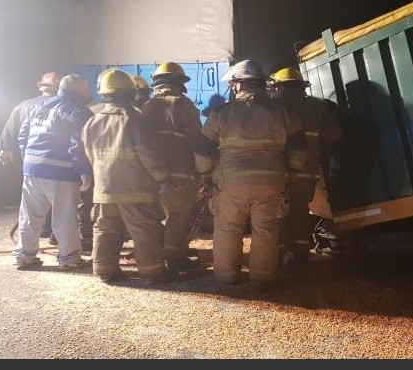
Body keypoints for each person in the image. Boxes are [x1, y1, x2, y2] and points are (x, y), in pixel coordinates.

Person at [194, 60, 306, 288]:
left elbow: (203, 149)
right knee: (266, 230)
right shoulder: (283, 112)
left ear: (237, 84)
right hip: (270, 183)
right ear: (261, 84)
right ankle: (263, 278)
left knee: (227, 228)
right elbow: (298, 148)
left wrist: (205, 174)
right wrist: (292, 173)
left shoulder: (222, 113)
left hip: (231, 184)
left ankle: (226, 276)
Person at [81, 68, 171, 284]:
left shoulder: (92, 122)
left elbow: (91, 156)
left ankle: (104, 271)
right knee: (145, 231)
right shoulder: (135, 120)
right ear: (129, 93)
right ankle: (152, 273)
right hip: (136, 189)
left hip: (104, 189)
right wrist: (162, 178)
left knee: (105, 229)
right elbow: (148, 154)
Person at [12, 74, 93, 270]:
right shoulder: (80, 112)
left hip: (32, 169)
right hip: (62, 172)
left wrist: (29, 160)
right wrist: (84, 171)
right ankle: (69, 258)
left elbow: (23, 135)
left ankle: (24, 256)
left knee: (30, 216)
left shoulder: (39, 106)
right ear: (81, 90)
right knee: (65, 217)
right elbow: (78, 145)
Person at [269, 67, 342, 272]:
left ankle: (277, 257)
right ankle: (300, 258)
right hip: (305, 173)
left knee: (276, 213)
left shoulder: (272, 106)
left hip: (276, 173)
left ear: (277, 86)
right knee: (300, 213)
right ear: (301, 86)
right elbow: (333, 135)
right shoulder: (317, 106)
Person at [141, 61, 207, 274]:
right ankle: (173, 259)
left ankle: (164, 253)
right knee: (178, 217)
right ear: (180, 82)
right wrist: (205, 173)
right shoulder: (183, 105)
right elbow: (197, 142)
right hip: (180, 175)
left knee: (161, 218)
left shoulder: (147, 107)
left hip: (151, 176)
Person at [0, 71, 61, 242]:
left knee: (32, 204)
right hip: (58, 164)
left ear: (40, 85)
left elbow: (9, 133)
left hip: (30, 163)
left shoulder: (23, 106)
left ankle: (33, 240)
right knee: (60, 202)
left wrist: (5, 150)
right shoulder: (66, 106)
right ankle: (56, 235)